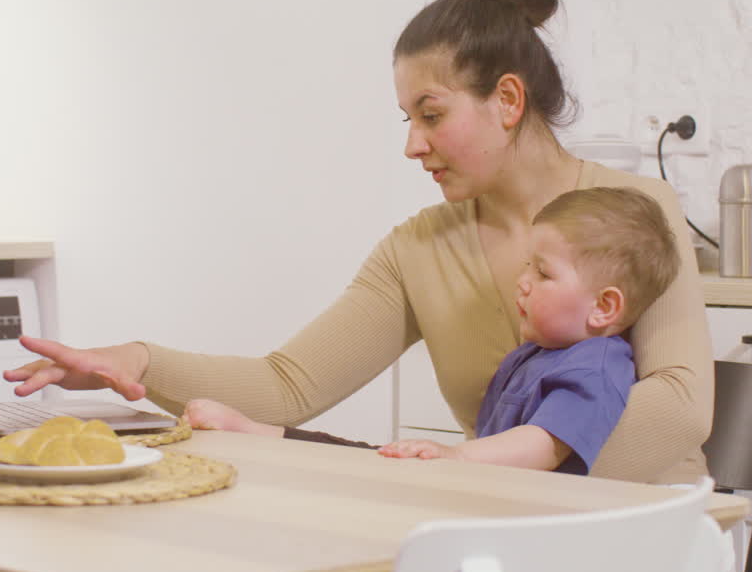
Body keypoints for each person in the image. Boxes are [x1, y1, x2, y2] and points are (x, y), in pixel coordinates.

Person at [5, 0, 715, 484]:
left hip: (643, 540)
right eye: (407, 118)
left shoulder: (640, 211)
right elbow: (287, 386)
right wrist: (135, 362)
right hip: (504, 534)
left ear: (506, 99)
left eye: (431, 114)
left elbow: (681, 411)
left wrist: (462, 468)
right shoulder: (417, 251)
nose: (412, 145)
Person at [185, 186, 680, 475]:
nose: (523, 282)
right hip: (484, 498)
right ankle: (262, 433)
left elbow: (545, 444)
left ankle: (262, 436)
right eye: (527, 266)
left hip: (529, 535)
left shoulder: (597, 365)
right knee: (382, 458)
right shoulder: (539, 354)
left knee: (390, 466)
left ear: (604, 307)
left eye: (544, 274)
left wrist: (458, 456)